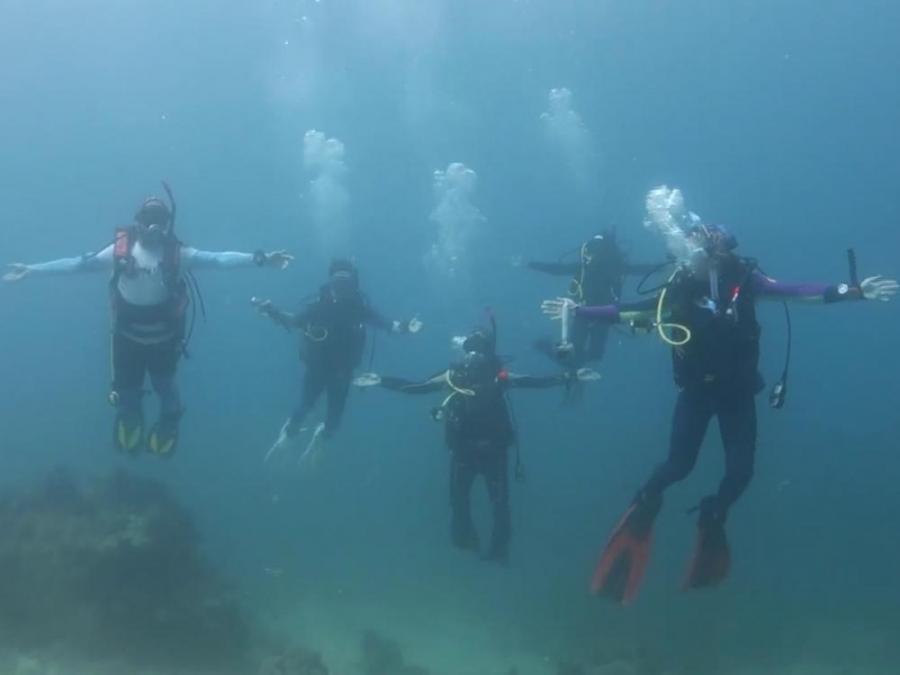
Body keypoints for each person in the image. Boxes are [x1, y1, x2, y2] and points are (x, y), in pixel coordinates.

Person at [543, 215, 898, 604]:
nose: (689, 256)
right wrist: (578, 311)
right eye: (688, 247)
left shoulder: (745, 281)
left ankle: (714, 512)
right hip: (696, 392)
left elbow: (797, 291)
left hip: (737, 393)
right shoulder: (675, 289)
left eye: (699, 248)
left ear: (717, 252)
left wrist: (852, 290)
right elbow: (628, 311)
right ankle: (646, 502)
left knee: (741, 471)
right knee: (678, 465)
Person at [3, 184, 293, 456]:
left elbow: (219, 259)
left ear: (168, 223)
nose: (153, 225)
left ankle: (168, 423)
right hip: (126, 340)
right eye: (148, 217)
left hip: (163, 341)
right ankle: (132, 419)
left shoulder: (178, 255)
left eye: (160, 219)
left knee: (167, 392)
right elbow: (78, 264)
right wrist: (32, 269)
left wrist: (261, 258)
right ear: (137, 220)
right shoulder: (120, 252)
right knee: (127, 398)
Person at [355, 316, 599, 564]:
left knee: (498, 504)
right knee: (461, 502)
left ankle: (497, 550)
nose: (474, 354)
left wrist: (571, 377)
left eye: (479, 349)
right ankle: (465, 544)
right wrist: (381, 381)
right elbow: (418, 387)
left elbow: (532, 381)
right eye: (470, 348)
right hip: (465, 451)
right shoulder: (454, 376)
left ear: (489, 351)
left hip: (491, 451)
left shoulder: (499, 376)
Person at [254, 258, 422, 464]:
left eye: (346, 284)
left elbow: (389, 325)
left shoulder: (359, 308)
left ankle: (319, 438)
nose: (341, 289)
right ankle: (288, 436)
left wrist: (406, 327)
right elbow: (295, 321)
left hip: (342, 372)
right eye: (337, 284)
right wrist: (274, 312)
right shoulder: (320, 305)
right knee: (305, 406)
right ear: (331, 283)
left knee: (333, 418)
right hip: (318, 367)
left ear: (354, 284)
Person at [528, 230, 656, 367]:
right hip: (595, 313)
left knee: (585, 355)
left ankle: (567, 361)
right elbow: (640, 269)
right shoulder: (613, 266)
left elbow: (557, 269)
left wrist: (532, 264)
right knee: (591, 354)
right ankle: (567, 361)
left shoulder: (590, 266)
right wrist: (665, 267)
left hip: (592, 313)